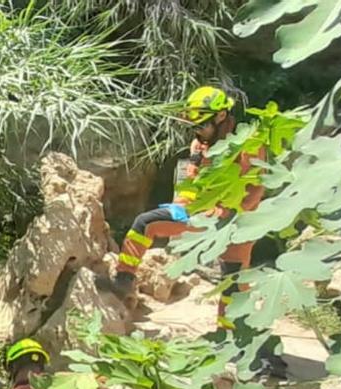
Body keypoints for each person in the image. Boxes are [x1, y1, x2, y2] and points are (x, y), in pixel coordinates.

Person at [110, 86, 270, 342]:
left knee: (234, 280)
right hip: (203, 212)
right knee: (145, 223)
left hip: (239, 220)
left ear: (220, 117)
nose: (198, 131)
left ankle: (234, 337)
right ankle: (123, 279)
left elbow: (256, 189)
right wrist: (180, 205)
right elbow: (189, 181)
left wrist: (229, 213)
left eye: (202, 125)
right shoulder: (199, 144)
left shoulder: (249, 142)